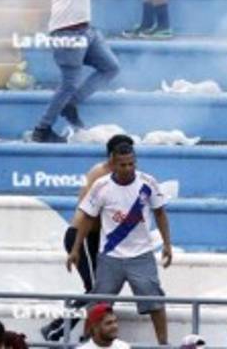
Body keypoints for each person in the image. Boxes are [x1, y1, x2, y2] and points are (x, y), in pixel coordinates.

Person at [68, 140, 172, 345]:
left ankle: (163, 343)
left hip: (141, 254)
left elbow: (160, 213)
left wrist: (167, 244)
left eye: (131, 164)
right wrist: (76, 248)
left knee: (155, 301)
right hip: (110, 256)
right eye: (123, 165)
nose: (127, 169)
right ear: (113, 164)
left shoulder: (148, 182)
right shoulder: (101, 186)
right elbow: (88, 217)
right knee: (97, 304)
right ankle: (90, 341)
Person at [32, 0, 119, 143]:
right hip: (67, 31)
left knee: (110, 67)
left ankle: (70, 104)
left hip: (85, 29)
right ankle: (42, 129)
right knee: (69, 82)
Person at [41, 135, 132, 343]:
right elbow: (87, 210)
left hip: (96, 239)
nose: (128, 164)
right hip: (82, 236)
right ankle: (56, 328)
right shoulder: (100, 176)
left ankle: (86, 335)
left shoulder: (121, 177)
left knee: (99, 290)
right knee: (97, 289)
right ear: (112, 157)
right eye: (123, 158)